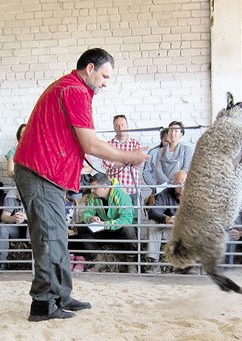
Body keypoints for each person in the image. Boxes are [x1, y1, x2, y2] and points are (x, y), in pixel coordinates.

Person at [14, 48, 149, 322]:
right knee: (49, 237)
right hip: (40, 172)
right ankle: (42, 303)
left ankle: (60, 295)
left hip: (47, 173)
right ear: (90, 68)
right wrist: (130, 156)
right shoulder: (74, 91)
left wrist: (115, 161)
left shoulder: (70, 88)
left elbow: (78, 145)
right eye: (104, 76)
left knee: (58, 237)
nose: (105, 83)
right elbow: (90, 143)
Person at [81, 173, 137, 273]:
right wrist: (91, 218)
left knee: (128, 228)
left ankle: (131, 262)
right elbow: (87, 213)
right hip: (104, 228)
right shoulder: (94, 196)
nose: (92, 191)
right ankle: (98, 259)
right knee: (82, 228)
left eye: (94, 188)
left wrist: (107, 224)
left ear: (105, 187)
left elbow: (127, 219)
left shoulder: (121, 194)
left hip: (119, 230)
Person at [146, 170, 187, 273]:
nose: (181, 186)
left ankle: (192, 265)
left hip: (187, 229)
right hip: (171, 229)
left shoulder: (195, 195)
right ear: (173, 183)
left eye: (184, 183)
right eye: (178, 183)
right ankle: (154, 262)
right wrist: (166, 219)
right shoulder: (166, 193)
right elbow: (153, 211)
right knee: (153, 223)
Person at [102, 114, 142, 206]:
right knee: (114, 217)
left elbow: (136, 162)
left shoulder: (135, 143)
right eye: (117, 125)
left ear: (127, 126)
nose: (120, 128)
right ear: (114, 128)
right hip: (113, 190)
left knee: (134, 218)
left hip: (132, 188)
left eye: (123, 125)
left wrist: (116, 161)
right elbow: (107, 164)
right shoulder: (108, 145)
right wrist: (128, 160)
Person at [142, 121, 193, 186]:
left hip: (179, 187)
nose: (173, 133)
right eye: (171, 131)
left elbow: (185, 169)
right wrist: (167, 185)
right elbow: (158, 170)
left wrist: (175, 183)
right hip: (163, 187)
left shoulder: (187, 150)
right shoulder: (160, 151)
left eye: (176, 131)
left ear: (181, 134)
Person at [0, 188, 28, 271]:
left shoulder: (37, 192)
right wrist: (14, 218)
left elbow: (41, 217)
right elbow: (4, 217)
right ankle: (1, 263)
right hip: (16, 228)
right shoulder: (12, 194)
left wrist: (25, 217)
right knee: (3, 227)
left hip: (32, 227)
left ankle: (36, 263)